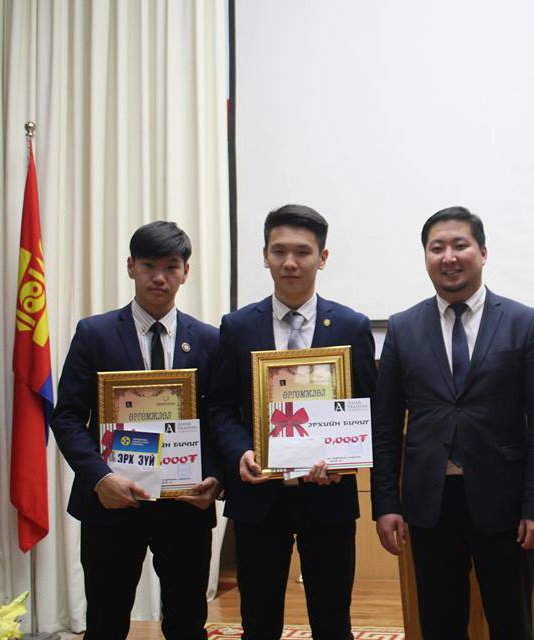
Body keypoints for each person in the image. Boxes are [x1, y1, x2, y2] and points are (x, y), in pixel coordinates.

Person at [371, 206, 534, 639]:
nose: (449, 257)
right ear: (425, 257)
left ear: (483, 252)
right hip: (429, 502)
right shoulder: (402, 327)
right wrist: (386, 503)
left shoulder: (524, 323)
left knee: (512, 623)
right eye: (437, 248)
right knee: (439, 624)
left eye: (460, 245)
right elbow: (385, 427)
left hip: (505, 502)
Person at [209, 204, 377, 640]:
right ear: (264, 256)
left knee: (332, 621)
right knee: (259, 621)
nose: (289, 262)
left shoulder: (352, 326)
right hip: (258, 498)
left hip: (328, 498)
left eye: (302, 252)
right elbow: (221, 406)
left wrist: (343, 458)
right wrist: (240, 452)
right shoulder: (237, 326)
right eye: (279, 251)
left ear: (322, 258)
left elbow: (368, 407)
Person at [50, 221, 220, 640]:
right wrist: (100, 478)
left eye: (171, 266)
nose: (159, 277)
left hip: (186, 506)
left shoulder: (210, 340)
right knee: (106, 622)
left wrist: (215, 478)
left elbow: (221, 418)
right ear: (130, 267)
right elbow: (67, 417)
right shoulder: (94, 333)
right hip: (111, 503)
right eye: (148, 266)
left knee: (186, 623)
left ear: (186, 271)